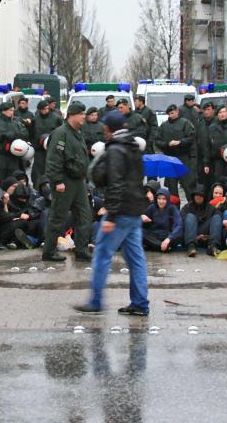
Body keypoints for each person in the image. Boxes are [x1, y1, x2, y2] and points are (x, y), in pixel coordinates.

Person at [74, 108, 148, 316]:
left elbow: (116, 183)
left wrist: (111, 216)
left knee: (102, 254)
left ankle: (96, 301)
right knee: (136, 259)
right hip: (134, 210)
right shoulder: (134, 146)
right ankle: (141, 303)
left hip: (120, 211)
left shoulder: (115, 150)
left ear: (107, 128)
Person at [41, 101, 92, 262]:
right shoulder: (61, 133)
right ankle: (48, 251)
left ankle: (82, 250)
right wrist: (57, 181)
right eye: (81, 113)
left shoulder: (77, 133)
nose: (84, 116)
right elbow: (54, 160)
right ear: (72, 115)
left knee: (84, 216)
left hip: (78, 182)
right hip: (65, 181)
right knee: (58, 217)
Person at [155, 104, 196, 198]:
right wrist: (166, 144)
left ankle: (191, 207)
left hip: (183, 157)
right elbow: (157, 140)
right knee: (172, 187)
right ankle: (174, 209)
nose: (170, 115)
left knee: (187, 185)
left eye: (172, 113)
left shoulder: (185, 123)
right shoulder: (164, 125)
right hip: (170, 158)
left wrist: (180, 142)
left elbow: (191, 137)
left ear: (177, 112)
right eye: (169, 114)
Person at [0, 101, 28, 185]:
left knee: (14, 181)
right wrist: (3, 136)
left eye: (13, 110)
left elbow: (25, 134)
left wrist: (17, 135)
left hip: (14, 157)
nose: (12, 112)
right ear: (3, 111)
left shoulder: (16, 122)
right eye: (10, 110)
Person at [141, 187, 183, 252]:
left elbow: (179, 225)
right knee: (139, 231)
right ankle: (161, 246)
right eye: (159, 198)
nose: (161, 201)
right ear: (156, 199)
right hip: (153, 236)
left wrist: (168, 239)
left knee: (178, 235)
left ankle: (155, 246)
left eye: (164, 199)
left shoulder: (172, 208)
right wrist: (142, 217)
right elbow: (140, 221)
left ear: (168, 199)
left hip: (167, 236)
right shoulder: (152, 207)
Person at [31, 99, 62, 186]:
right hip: (39, 149)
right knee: (38, 170)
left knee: (53, 168)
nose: (46, 111)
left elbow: (63, 132)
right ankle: (38, 187)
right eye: (44, 109)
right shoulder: (35, 119)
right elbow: (31, 134)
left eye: (47, 108)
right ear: (40, 110)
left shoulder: (56, 118)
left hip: (54, 148)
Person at [181, 185, 216, 256]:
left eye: (200, 195)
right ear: (193, 196)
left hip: (205, 234)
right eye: (196, 195)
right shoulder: (187, 207)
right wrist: (194, 236)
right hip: (190, 234)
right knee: (190, 216)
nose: (198, 197)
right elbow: (181, 223)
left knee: (217, 217)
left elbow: (217, 222)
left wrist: (207, 236)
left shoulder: (210, 208)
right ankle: (191, 247)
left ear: (204, 197)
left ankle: (213, 246)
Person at [196, 101, 215, 188]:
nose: (206, 112)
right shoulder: (201, 124)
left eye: (208, 109)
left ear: (213, 110)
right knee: (204, 183)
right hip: (202, 158)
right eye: (205, 110)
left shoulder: (217, 123)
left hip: (215, 158)